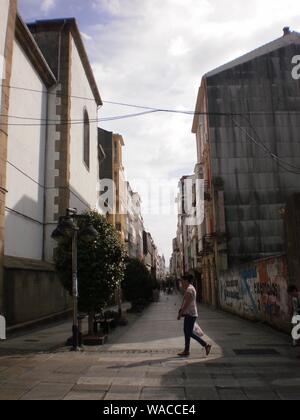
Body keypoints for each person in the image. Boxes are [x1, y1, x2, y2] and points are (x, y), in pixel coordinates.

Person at [177, 274, 212, 358]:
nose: (181, 282)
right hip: (190, 314)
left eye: (182, 281)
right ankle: (186, 350)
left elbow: (186, 303)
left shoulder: (189, 290)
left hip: (191, 314)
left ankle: (206, 345)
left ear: (186, 281)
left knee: (189, 332)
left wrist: (180, 313)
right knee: (186, 332)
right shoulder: (190, 288)